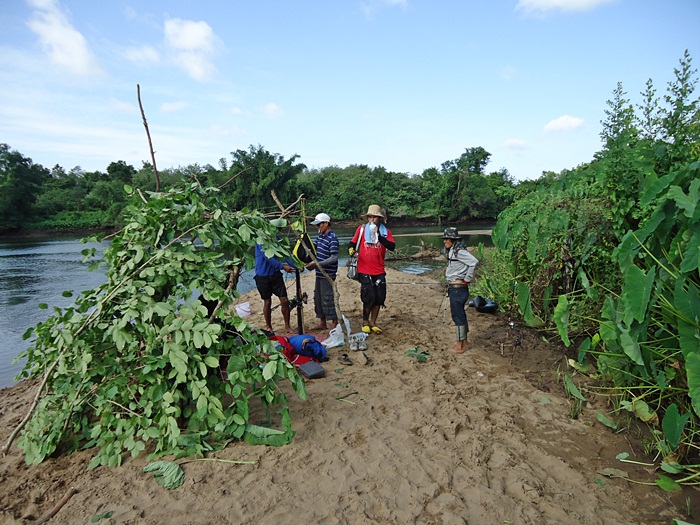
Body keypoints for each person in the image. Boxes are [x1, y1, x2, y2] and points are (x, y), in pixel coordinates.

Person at [348, 205, 395, 335]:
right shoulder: (362, 229)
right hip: (364, 268)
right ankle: (365, 321)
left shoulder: (386, 232)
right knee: (368, 296)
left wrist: (379, 236)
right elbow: (352, 243)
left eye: (375, 217)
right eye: (370, 217)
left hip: (379, 269)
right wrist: (351, 251)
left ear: (379, 219)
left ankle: (373, 322)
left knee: (379, 298)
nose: (372, 219)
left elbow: (391, 246)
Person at [442, 227, 479, 354]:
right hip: (456, 288)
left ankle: (459, 346)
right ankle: (464, 341)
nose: (446, 241)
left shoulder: (459, 252)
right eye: (445, 238)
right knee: (460, 314)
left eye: (448, 239)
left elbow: (474, 262)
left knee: (457, 316)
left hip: (458, 289)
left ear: (454, 239)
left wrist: (467, 278)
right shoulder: (453, 251)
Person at [305, 212, 339, 331]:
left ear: (326, 223)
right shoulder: (320, 238)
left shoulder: (333, 238)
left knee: (327, 297)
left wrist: (317, 264)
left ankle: (334, 321)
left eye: (319, 224)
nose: (317, 227)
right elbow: (312, 251)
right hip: (319, 274)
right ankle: (322, 322)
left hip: (327, 274)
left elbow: (333, 258)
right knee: (318, 298)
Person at [254, 242, 296, 334]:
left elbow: (285, 253)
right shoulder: (260, 241)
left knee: (284, 300)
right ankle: (268, 326)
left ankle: (287, 326)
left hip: (275, 274)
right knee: (267, 302)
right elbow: (268, 257)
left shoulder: (276, 238)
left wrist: (295, 266)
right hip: (262, 276)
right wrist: (282, 266)